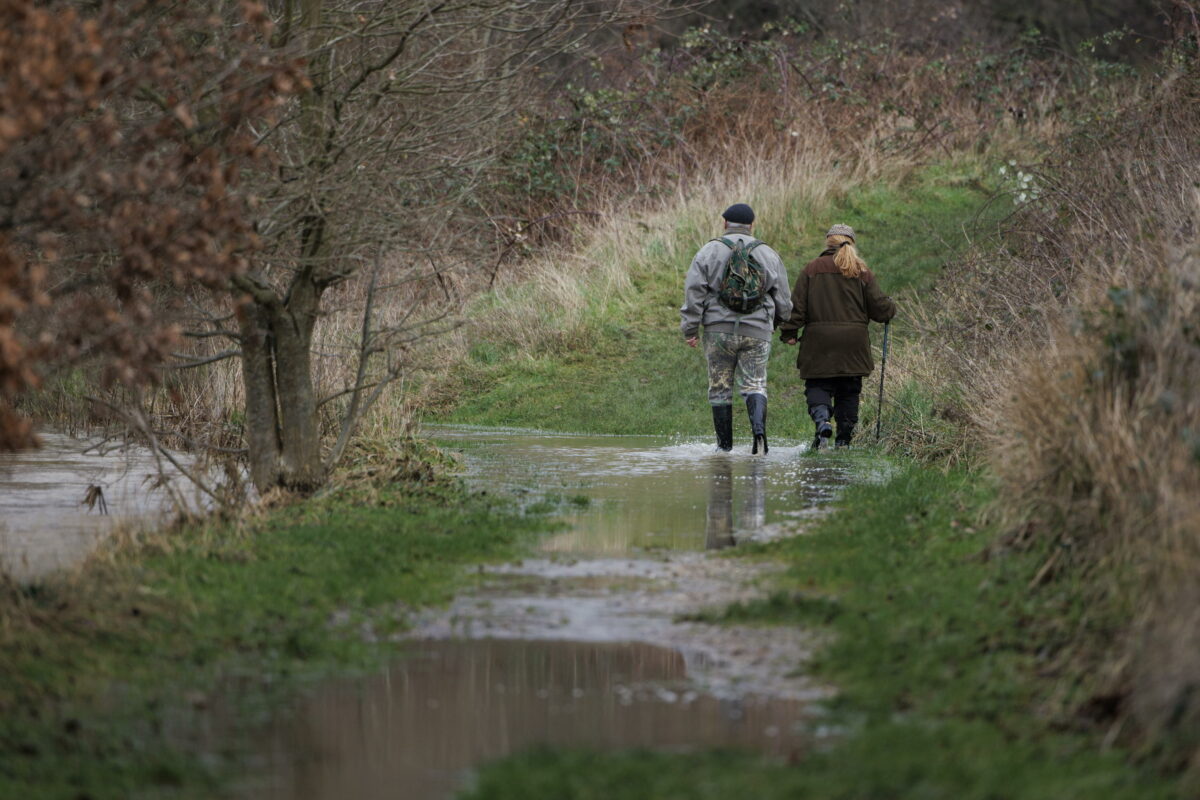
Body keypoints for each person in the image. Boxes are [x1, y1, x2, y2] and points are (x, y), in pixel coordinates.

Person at [680, 203, 792, 454]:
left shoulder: (709, 251)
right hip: (757, 331)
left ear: (724, 224)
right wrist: (777, 323)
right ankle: (759, 433)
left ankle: (724, 447)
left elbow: (694, 292)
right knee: (755, 384)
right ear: (752, 225)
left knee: (720, 386)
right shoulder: (768, 253)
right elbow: (783, 298)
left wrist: (690, 329)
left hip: (718, 331)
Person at [780, 224, 896, 450]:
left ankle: (822, 420)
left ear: (827, 243)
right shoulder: (861, 271)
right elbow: (881, 311)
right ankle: (844, 439)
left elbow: (797, 307)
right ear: (851, 243)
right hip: (853, 343)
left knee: (818, 385)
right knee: (849, 390)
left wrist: (789, 332)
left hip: (819, 341)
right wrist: (890, 307)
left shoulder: (812, 269)